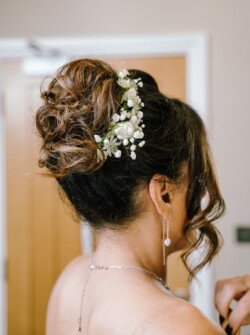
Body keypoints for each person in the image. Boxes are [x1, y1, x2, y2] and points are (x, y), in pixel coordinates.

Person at [35, 58, 227, 334]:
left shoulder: (71, 279)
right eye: (194, 179)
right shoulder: (184, 326)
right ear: (163, 194)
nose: (202, 194)